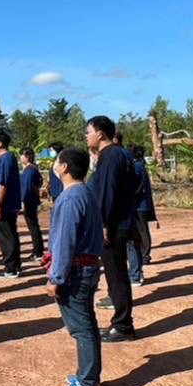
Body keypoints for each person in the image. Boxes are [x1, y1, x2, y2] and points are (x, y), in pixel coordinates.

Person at [45, 148, 105, 386]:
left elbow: (64, 241)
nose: (55, 165)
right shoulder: (85, 192)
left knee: (81, 328)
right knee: (87, 323)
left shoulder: (70, 198)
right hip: (88, 267)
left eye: (57, 162)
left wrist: (56, 277)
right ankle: (88, 376)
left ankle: (87, 383)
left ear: (65, 167)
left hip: (76, 271)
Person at [86, 115, 137, 342]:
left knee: (116, 275)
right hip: (120, 222)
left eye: (88, 132)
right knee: (117, 274)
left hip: (113, 226)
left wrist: (104, 224)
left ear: (100, 134)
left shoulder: (109, 156)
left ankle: (123, 326)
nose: (86, 136)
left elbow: (107, 192)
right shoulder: (119, 153)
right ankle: (122, 323)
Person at [0, 132, 23, 278]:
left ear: (0, 143)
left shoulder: (5, 159)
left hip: (5, 205)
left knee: (6, 236)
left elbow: (3, 184)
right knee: (10, 234)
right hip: (6, 203)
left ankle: (11, 268)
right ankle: (15, 265)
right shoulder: (5, 159)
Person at [127, 145, 156, 282]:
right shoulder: (140, 165)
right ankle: (145, 255)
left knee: (142, 231)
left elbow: (138, 186)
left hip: (139, 205)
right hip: (141, 205)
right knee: (143, 231)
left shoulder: (137, 166)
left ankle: (145, 255)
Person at [19, 148, 45, 259]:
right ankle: (38, 250)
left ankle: (38, 251)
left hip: (29, 201)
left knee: (33, 226)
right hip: (31, 200)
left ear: (27, 157)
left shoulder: (29, 170)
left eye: (22, 155)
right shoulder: (32, 169)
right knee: (33, 226)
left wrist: (23, 201)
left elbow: (27, 187)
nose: (20, 158)